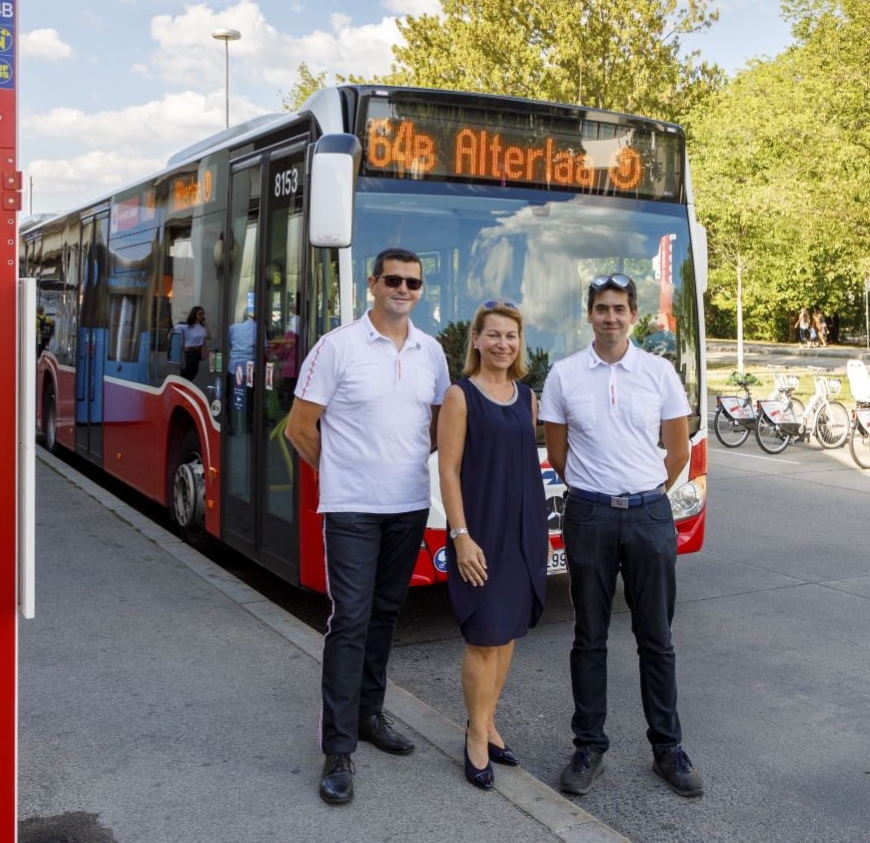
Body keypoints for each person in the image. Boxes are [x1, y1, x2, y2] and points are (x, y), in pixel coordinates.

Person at [286, 247, 451, 806]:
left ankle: (369, 715)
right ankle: (337, 749)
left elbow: (434, 427)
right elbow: (300, 427)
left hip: (408, 506)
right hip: (352, 509)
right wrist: (343, 475)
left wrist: (396, 466)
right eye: (394, 280)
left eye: (413, 282)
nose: (403, 289)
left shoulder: (431, 352)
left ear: (420, 290)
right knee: (350, 619)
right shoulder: (338, 347)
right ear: (373, 284)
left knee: (385, 614)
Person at [540, 273, 704, 798]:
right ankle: (588, 747)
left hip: (648, 516)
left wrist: (644, 492)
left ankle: (667, 748)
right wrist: (596, 493)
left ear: (635, 316)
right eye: (601, 308)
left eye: (620, 309)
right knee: (588, 635)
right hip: (588, 515)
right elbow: (559, 456)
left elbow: (677, 453)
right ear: (588, 314)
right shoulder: (564, 375)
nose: (611, 317)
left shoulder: (659, 373)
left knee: (656, 637)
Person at [437, 300, 549, 791]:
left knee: (506, 637)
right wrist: (461, 537)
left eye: (512, 336)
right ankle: (476, 739)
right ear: (477, 341)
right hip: (480, 531)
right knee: (483, 637)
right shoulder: (460, 396)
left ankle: (485, 722)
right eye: (495, 335)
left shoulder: (526, 396)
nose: (504, 343)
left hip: (524, 530)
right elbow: (448, 469)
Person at [172, 306, 209, 381]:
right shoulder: (186, 327)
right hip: (189, 352)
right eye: (200, 314)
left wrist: (205, 324)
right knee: (186, 375)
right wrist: (182, 348)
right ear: (194, 314)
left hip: (197, 352)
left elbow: (208, 336)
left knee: (194, 373)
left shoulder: (202, 327)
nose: (202, 316)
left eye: (203, 314)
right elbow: (172, 336)